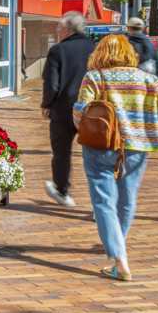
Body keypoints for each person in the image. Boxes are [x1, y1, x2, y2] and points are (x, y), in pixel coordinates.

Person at [73, 35, 158, 281]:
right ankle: (118, 255)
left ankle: (120, 259)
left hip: (100, 145)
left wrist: (84, 130)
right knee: (127, 200)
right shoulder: (148, 79)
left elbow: (80, 111)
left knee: (103, 201)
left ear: (99, 53)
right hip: (137, 146)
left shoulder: (95, 77)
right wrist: (157, 128)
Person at [41, 11, 96, 207]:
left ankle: (62, 191)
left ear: (67, 29)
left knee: (61, 152)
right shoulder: (95, 49)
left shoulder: (58, 50)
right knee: (95, 154)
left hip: (63, 110)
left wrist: (46, 104)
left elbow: (51, 83)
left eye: (58, 27)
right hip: (91, 111)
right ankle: (100, 201)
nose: (57, 31)